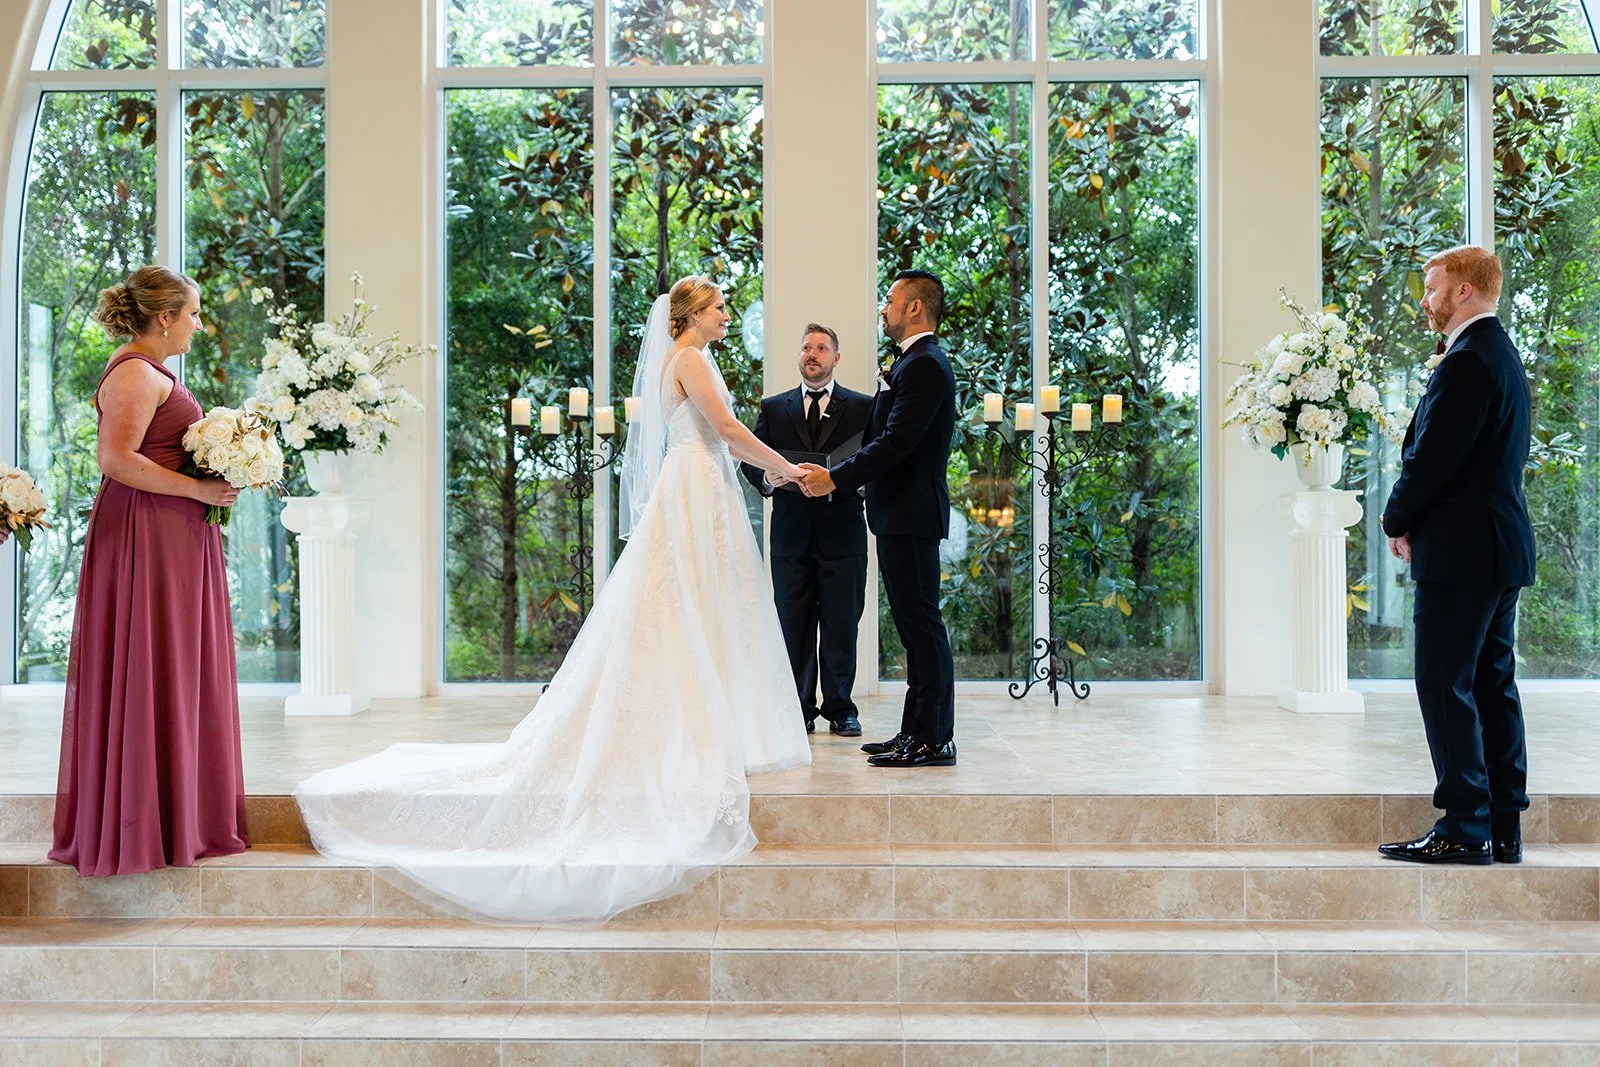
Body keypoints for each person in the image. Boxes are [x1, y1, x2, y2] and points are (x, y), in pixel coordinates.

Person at [296, 276, 812, 922]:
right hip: (695, 491)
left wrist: (764, 467)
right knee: (684, 610)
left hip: (703, 489)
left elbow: (723, 436)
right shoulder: (688, 359)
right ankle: (691, 730)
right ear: (691, 316)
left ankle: (715, 723)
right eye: (718, 308)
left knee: (695, 610)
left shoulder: (688, 359)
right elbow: (729, 428)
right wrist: (786, 469)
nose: (726, 316)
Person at [51, 266, 249, 877]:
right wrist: (197, 487)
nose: (198, 323)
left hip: (170, 532)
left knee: (173, 663)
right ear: (165, 317)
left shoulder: (152, 371)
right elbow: (115, 458)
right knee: (151, 660)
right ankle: (144, 826)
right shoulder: (136, 373)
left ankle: (177, 815)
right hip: (146, 534)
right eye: (192, 313)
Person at [1378, 245, 1537, 867]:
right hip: (1496, 550)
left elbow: (1434, 459)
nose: (1426, 298)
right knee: (1491, 684)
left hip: (1463, 554)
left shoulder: (1470, 360)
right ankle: (1502, 825)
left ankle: (1464, 828)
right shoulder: (1497, 353)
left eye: (1433, 285)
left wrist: (1396, 517)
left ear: (1464, 290)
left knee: (1446, 685)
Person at [798, 270, 957, 768]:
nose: (882, 308)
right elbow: (880, 437)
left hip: (911, 512)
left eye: (889, 300)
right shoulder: (911, 363)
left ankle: (933, 738)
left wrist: (835, 478)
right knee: (913, 628)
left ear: (914, 308)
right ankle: (915, 731)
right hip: (896, 513)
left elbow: (895, 444)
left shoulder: (926, 365)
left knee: (922, 626)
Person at [740, 323, 872, 738]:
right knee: (792, 623)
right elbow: (750, 457)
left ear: (836, 357)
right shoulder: (774, 408)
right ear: (799, 356)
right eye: (806, 348)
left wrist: (856, 482)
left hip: (843, 533)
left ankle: (841, 709)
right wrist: (768, 478)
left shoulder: (864, 407)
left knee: (841, 623)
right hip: (791, 535)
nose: (812, 354)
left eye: (821, 348)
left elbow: (873, 459)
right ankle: (798, 709)